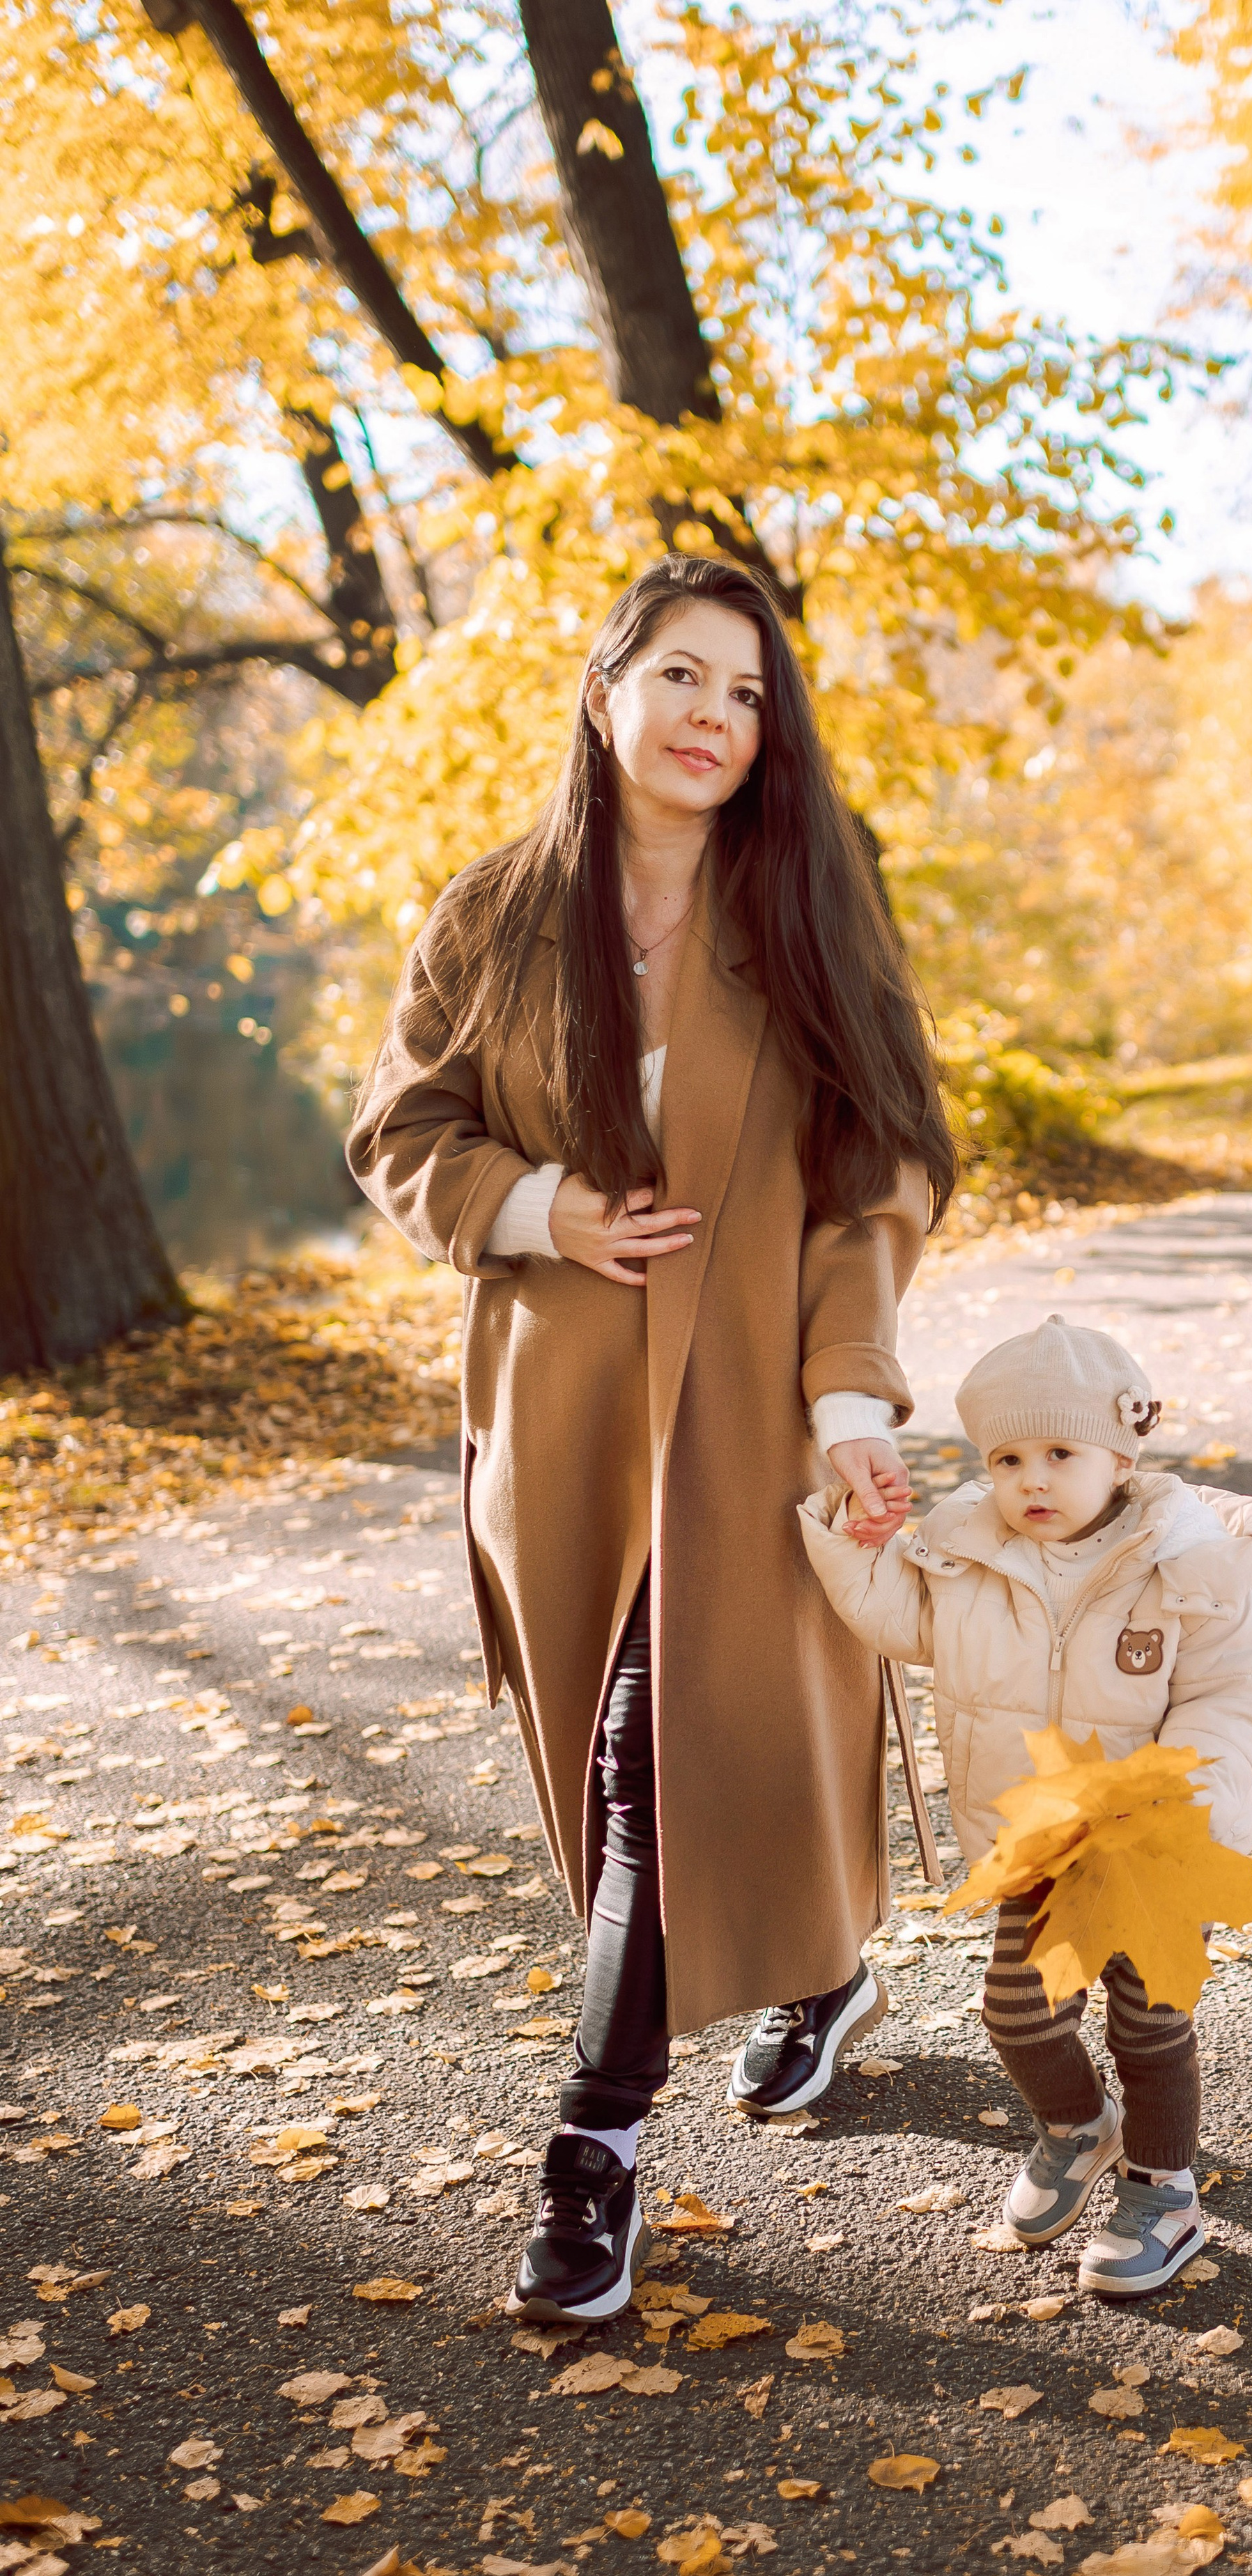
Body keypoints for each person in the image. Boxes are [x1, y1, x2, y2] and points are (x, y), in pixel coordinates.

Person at [348, 552, 956, 2325]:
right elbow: (401, 1129)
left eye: (748, 693)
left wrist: (850, 1385)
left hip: (754, 1399)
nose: (713, 717)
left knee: (666, 1758)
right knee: (639, 1764)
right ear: (607, 688)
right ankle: (824, 1971)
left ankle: (590, 2152)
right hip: (567, 1410)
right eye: (683, 676)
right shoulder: (494, 913)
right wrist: (535, 1204)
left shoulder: (815, 917)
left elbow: (882, 1176)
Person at [798, 1315, 1252, 2294]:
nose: (1032, 1480)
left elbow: (1231, 1694)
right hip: (1036, 1841)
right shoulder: (969, 1553)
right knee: (1018, 2016)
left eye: (1061, 1454)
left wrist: (1190, 1790)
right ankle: (1076, 2126)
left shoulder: (1190, 1560)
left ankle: (1163, 2191)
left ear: (1119, 1455)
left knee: (1149, 2024)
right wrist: (859, 1547)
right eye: (1009, 1457)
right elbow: (896, 1619)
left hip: (1146, 1845)